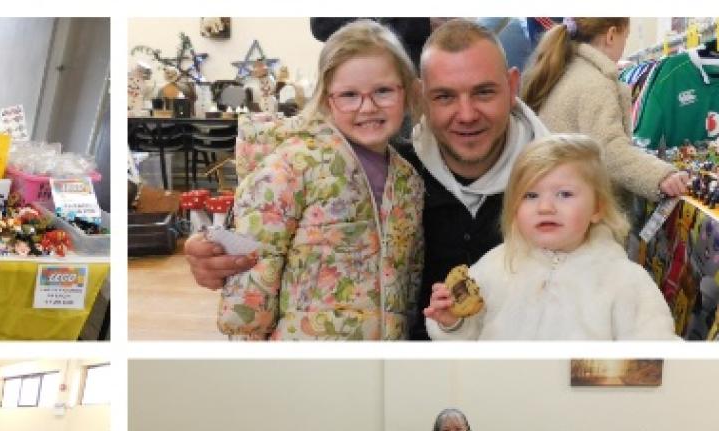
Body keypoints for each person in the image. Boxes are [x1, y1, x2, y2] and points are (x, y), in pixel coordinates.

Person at [188, 19, 549, 340]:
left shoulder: (555, 179)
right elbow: (256, 244)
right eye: (445, 96)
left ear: (513, 85)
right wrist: (210, 250)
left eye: (484, 92)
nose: (466, 114)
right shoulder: (405, 168)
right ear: (422, 96)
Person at [210, 20, 424, 339]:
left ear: (406, 92)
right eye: (349, 94)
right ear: (327, 100)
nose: (368, 106)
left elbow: (410, 273)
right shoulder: (293, 164)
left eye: (383, 91)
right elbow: (255, 258)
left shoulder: (408, 180)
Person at [423, 134, 677, 339]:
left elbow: (656, 356)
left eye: (564, 194)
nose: (545, 207)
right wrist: (452, 323)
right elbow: (467, 342)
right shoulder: (497, 265)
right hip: (502, 397)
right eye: (530, 196)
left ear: (597, 208)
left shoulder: (623, 281)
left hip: (582, 401)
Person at [520, 18, 689, 204]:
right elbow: (609, 150)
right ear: (610, 36)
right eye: (625, 38)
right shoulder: (595, 84)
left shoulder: (564, 71)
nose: (624, 45)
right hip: (577, 211)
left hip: (552, 200)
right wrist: (661, 175)